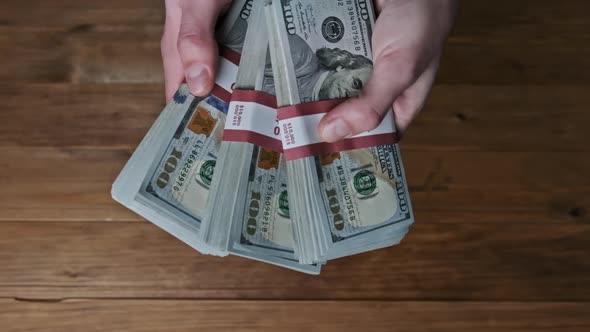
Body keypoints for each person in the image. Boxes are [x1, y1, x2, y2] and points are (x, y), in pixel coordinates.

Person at [161, 0, 457, 141]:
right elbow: (246, 32)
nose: (350, 91)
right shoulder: (302, 60)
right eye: (355, 80)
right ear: (343, 64)